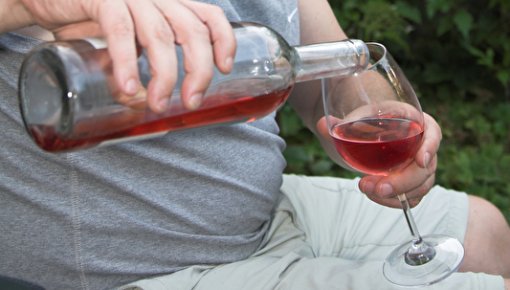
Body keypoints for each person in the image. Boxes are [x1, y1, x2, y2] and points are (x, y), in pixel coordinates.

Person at [0, 0, 509, 289]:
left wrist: (371, 113)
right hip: (145, 269)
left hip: (266, 220)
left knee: (486, 232)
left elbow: (328, 76)